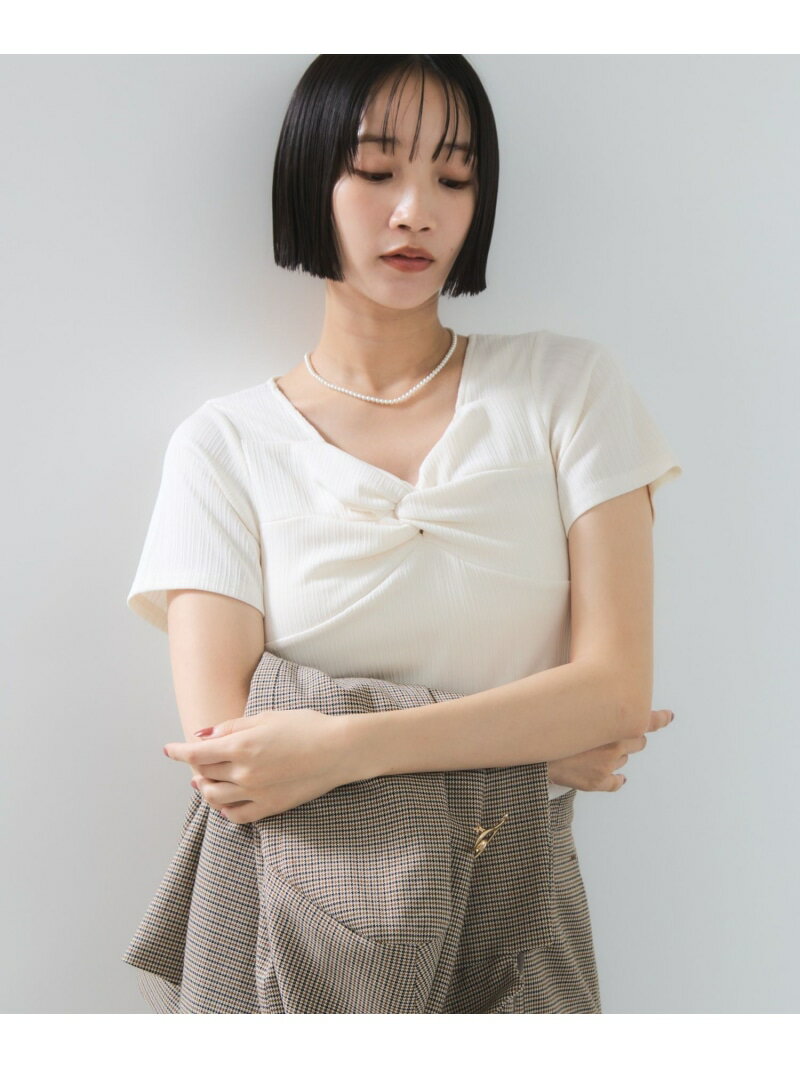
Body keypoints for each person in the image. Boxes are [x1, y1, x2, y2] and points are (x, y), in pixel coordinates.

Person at [127, 55, 682, 1013]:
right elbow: (233, 758)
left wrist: (337, 747)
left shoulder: (568, 391)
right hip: (286, 930)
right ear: (311, 178)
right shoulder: (223, 446)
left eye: (453, 177)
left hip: (513, 921)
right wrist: (530, 757)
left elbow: (614, 693)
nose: (416, 210)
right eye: (378, 170)